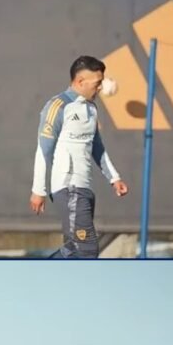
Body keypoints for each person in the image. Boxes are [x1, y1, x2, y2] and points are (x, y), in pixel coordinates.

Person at [30, 56, 129, 258]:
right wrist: (38, 190)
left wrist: (114, 178)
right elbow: (43, 150)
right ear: (80, 82)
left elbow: (97, 147)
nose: (101, 87)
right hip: (69, 187)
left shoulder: (91, 109)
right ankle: (42, 278)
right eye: (97, 83)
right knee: (86, 248)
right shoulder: (58, 106)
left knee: (76, 249)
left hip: (84, 188)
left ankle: (43, 280)